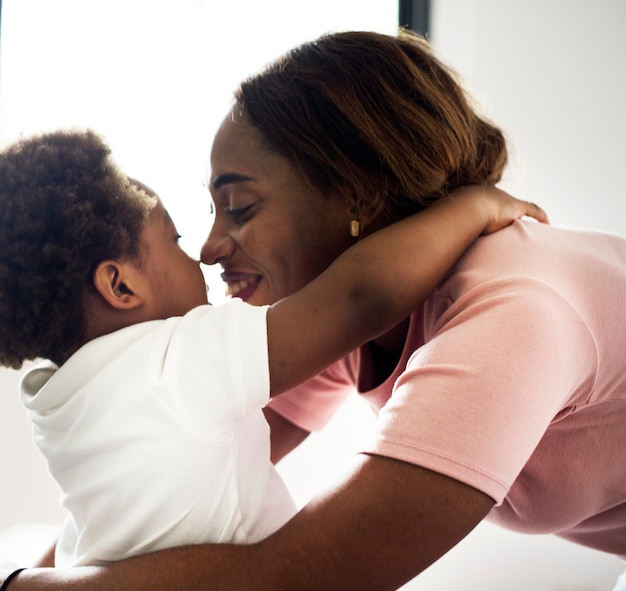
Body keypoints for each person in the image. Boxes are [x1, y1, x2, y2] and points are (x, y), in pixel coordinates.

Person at [2, 29, 624, 591]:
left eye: (240, 208)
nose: (212, 247)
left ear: (355, 197)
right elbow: (166, 473)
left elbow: (306, 577)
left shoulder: (515, 310)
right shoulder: (318, 326)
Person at [0, 128, 541, 574]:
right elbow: (359, 295)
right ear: (120, 287)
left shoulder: (53, 399)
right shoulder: (179, 357)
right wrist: (474, 206)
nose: (204, 259)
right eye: (176, 241)